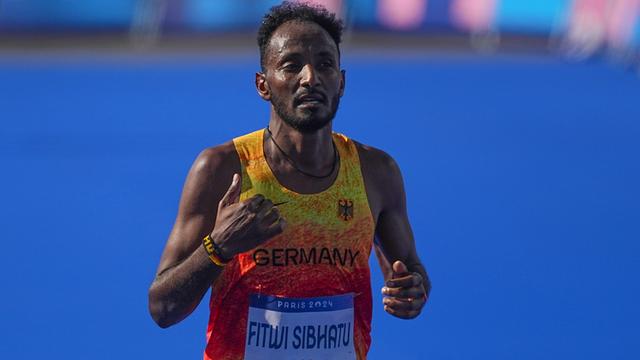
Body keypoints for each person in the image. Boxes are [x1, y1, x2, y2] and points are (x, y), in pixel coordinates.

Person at [148, 2, 431, 359]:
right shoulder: (222, 169)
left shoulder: (376, 172)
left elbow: (410, 271)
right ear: (263, 85)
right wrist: (217, 248)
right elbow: (162, 308)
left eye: (325, 64)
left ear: (340, 82)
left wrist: (411, 290)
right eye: (291, 65)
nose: (310, 77)